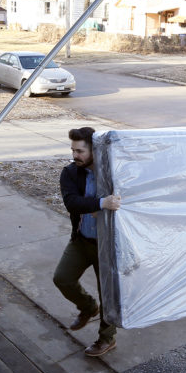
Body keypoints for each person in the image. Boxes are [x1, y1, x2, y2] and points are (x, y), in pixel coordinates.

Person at [53, 126, 121, 357]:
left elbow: (126, 201)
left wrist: (97, 205)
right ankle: (88, 306)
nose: (75, 155)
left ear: (95, 150)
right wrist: (101, 204)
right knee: (62, 278)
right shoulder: (70, 173)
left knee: (108, 295)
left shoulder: (114, 172)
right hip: (82, 241)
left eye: (80, 151)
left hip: (108, 245)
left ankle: (106, 338)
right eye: (73, 150)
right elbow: (72, 203)